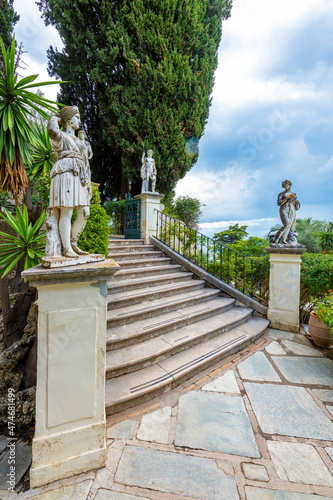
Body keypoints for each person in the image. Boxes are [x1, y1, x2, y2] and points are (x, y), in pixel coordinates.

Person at [47, 106, 92, 258]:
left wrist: (88, 184)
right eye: (76, 117)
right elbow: (52, 130)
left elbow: (86, 162)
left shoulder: (79, 142)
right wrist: (57, 118)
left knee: (84, 212)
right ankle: (67, 248)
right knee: (66, 211)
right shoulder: (60, 136)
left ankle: (73, 242)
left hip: (79, 174)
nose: (79, 120)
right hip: (65, 170)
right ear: (68, 119)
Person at [272, 180, 301, 245]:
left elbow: (296, 205)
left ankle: (284, 240)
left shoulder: (293, 194)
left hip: (291, 209)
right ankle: (276, 239)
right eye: (284, 186)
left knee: (289, 225)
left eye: (287, 186)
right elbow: (279, 203)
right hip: (284, 209)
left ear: (290, 185)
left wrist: (295, 200)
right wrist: (287, 199)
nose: (285, 187)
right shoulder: (281, 194)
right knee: (286, 224)